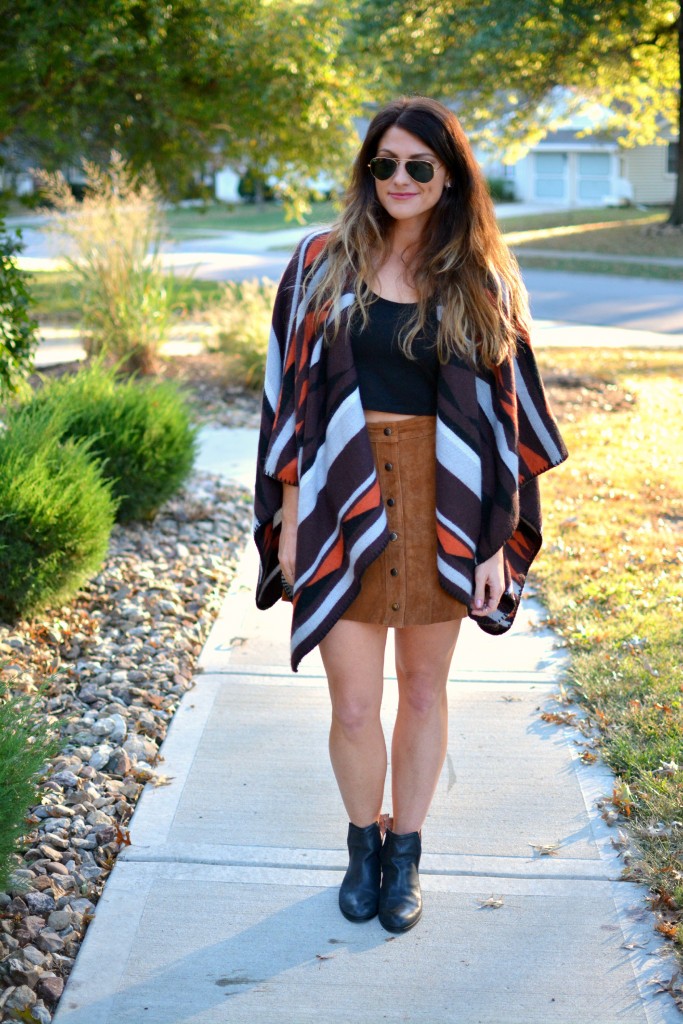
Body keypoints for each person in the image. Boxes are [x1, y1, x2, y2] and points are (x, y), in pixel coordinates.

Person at [253, 96, 568, 934]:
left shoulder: (483, 279)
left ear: (449, 176)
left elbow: (503, 424)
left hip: (445, 503)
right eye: (382, 164)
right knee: (353, 703)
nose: (398, 179)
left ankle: (408, 854)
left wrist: (495, 537)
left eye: (417, 166)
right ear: (367, 173)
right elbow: (289, 405)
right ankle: (362, 844)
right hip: (334, 496)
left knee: (423, 691)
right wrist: (287, 512)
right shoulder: (319, 261)